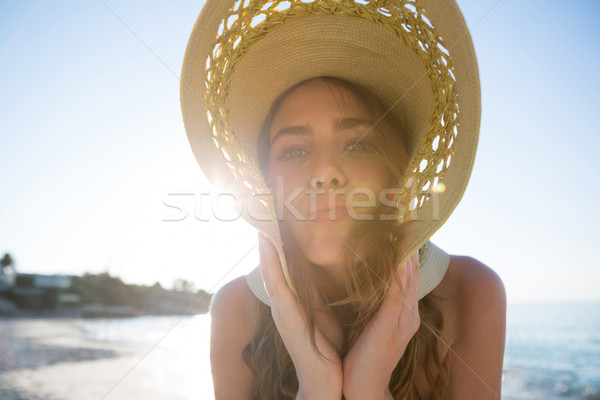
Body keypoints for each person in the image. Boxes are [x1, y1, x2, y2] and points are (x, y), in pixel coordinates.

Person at [180, 1, 506, 399]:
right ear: (266, 182)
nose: (324, 173)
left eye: (357, 144)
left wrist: (369, 385)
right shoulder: (236, 308)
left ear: (398, 170)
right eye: (294, 151)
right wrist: (316, 386)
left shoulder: (470, 291)